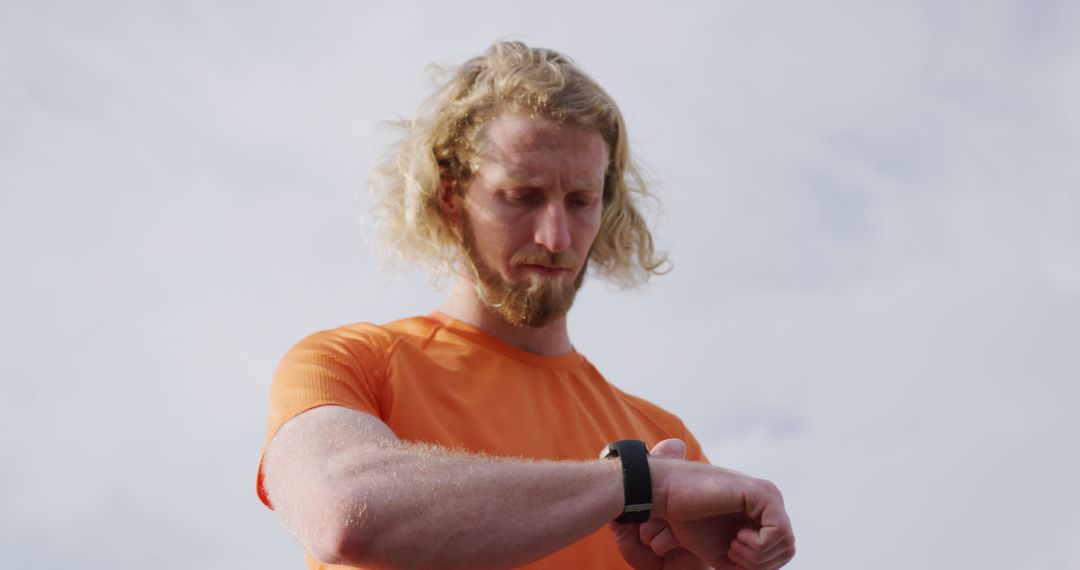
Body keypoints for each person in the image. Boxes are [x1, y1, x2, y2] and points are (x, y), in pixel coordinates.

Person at [256, 41, 796, 570]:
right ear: (451, 198)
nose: (557, 237)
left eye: (582, 201)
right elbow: (346, 514)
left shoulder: (665, 439)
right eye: (522, 196)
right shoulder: (351, 361)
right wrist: (633, 483)